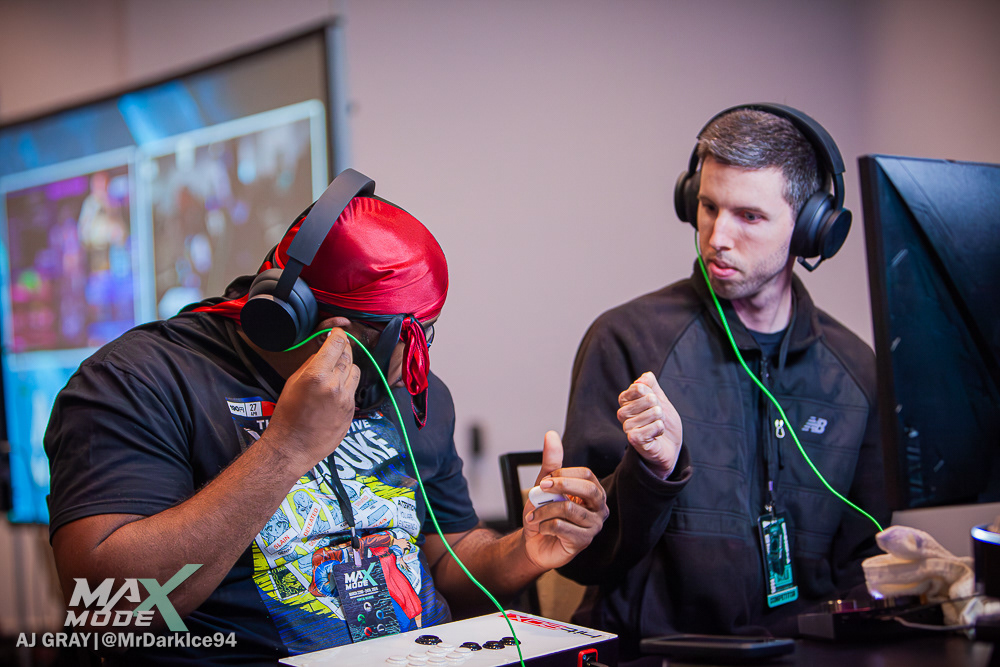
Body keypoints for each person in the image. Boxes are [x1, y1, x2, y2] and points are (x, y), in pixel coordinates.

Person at [45, 171, 609, 665]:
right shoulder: (141, 379)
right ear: (328, 330)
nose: (415, 366)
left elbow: (444, 560)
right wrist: (284, 450)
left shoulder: (408, 389)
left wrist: (525, 550)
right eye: (406, 339)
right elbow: (106, 609)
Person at [558, 104, 890, 658]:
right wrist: (652, 473)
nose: (717, 236)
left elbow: (863, 559)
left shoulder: (856, 371)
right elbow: (583, 556)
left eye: (749, 216)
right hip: (660, 656)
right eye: (708, 207)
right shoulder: (628, 340)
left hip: (808, 653)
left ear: (813, 228)